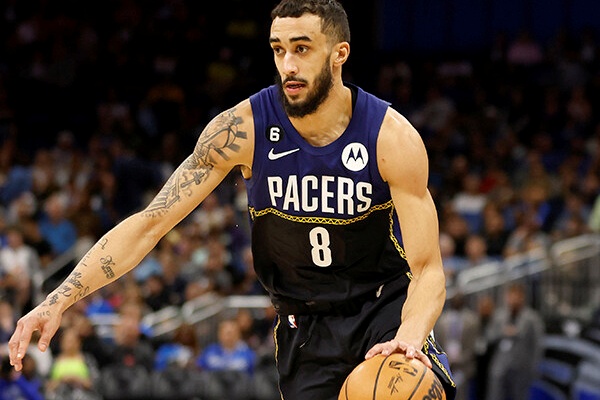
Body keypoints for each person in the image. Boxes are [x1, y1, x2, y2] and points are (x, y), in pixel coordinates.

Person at [9, 1, 455, 398]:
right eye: (278, 49)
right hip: (304, 325)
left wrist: (410, 336)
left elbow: (428, 270)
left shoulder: (390, 138)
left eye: (302, 48)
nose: (288, 64)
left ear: (339, 54)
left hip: (383, 309)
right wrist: (57, 300)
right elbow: (149, 224)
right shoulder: (241, 130)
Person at [485, 282, 545, 400]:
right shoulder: (499, 315)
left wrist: (533, 367)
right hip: (500, 366)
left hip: (521, 368)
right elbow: (489, 336)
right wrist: (503, 332)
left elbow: (537, 345)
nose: (514, 299)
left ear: (522, 297)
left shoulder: (532, 318)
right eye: (511, 296)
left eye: (517, 296)